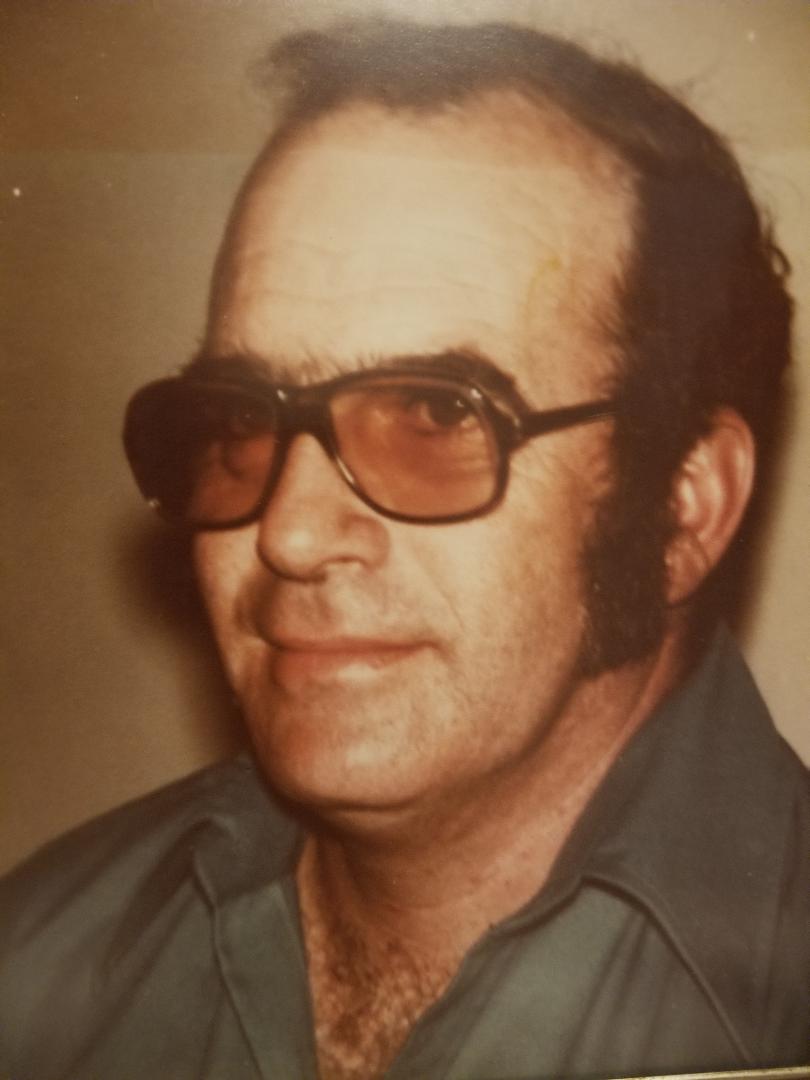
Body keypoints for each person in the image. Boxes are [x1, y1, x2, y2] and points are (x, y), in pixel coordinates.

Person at [1, 17, 807, 1080]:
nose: (288, 534)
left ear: (684, 507)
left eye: (436, 413)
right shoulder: (37, 960)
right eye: (241, 419)